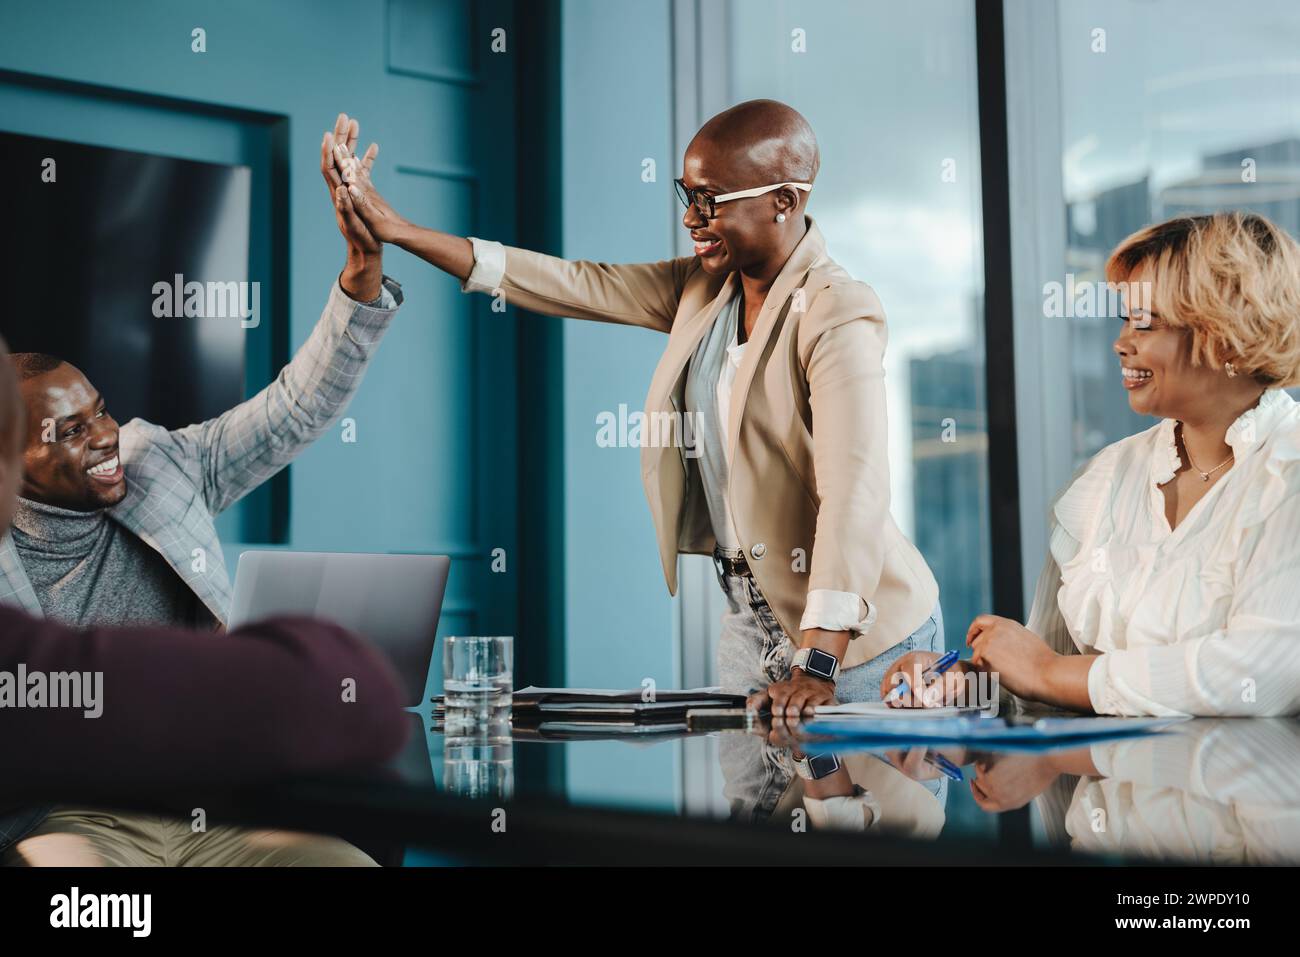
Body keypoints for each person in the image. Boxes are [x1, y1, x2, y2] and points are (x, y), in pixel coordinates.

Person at [329, 102, 942, 722]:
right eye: (688, 194)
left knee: (846, 805)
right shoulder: (704, 288)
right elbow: (572, 283)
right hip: (751, 623)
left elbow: (854, 493)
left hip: (862, 642)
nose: (691, 217)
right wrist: (399, 231)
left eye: (712, 200)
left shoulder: (838, 310)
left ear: (784, 199)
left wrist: (818, 661)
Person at [0, 114, 411, 863]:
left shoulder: (159, 462)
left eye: (101, 411)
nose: (104, 437)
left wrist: (361, 273)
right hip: (74, 816)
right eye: (70, 430)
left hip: (213, 802)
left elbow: (294, 408)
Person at [884, 212, 1300, 717]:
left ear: (1229, 333)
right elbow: (1048, 674)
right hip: (1112, 790)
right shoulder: (1106, 477)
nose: (1122, 342)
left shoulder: (1288, 468)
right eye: (1124, 320)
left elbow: (1264, 674)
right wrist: (966, 683)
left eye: (1146, 323)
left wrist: (1045, 673)